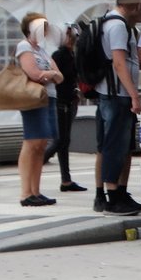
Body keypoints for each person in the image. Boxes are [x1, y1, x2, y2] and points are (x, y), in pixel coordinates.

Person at [92, 0, 141, 215]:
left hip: (111, 94)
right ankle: (113, 197)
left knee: (118, 146)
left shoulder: (113, 22)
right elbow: (119, 63)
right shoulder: (118, 26)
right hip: (117, 95)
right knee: (115, 146)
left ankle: (115, 194)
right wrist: (134, 95)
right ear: (134, 3)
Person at [14, 14, 63, 207]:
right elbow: (34, 74)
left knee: (41, 144)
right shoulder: (24, 47)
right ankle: (26, 192)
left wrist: (49, 74)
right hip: (34, 98)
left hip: (48, 97)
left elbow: (60, 77)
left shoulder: (41, 50)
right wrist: (51, 74)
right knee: (32, 143)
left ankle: (35, 190)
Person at [42, 23, 86, 192]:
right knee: (59, 140)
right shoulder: (59, 55)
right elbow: (57, 78)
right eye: (67, 35)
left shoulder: (72, 54)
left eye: (71, 35)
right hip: (60, 101)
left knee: (64, 141)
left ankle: (66, 180)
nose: (70, 38)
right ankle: (36, 162)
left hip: (70, 100)